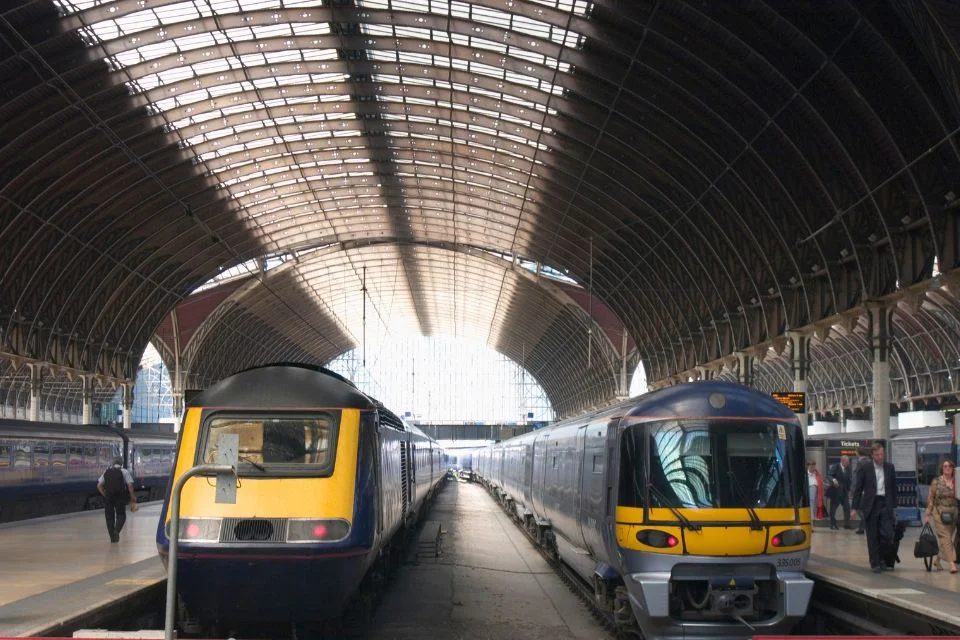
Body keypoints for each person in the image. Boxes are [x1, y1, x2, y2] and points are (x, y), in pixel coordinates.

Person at [851, 442, 897, 573]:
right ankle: (875, 562)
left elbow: (893, 487)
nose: (880, 457)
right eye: (877, 455)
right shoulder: (865, 467)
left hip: (885, 503)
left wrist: (894, 506)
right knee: (872, 536)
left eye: (882, 454)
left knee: (887, 535)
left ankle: (882, 558)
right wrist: (854, 508)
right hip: (871, 504)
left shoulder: (889, 467)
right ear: (872, 455)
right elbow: (858, 489)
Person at [923, 458, 958, 573]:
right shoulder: (936, 482)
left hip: (953, 514)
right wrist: (928, 514)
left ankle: (937, 560)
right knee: (946, 538)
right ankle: (952, 563)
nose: (947, 468)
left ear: (953, 469)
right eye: (945, 466)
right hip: (939, 513)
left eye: (949, 466)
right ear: (942, 469)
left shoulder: (956, 481)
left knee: (946, 540)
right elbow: (931, 498)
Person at [97, 457, 138, 543]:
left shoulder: (106, 471)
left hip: (108, 496)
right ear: (121, 463)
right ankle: (116, 531)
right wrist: (132, 496)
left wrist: (104, 494)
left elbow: (99, 485)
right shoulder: (124, 471)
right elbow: (130, 485)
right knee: (121, 515)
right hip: (120, 496)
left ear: (112, 463)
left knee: (109, 517)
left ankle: (112, 537)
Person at [826, 455, 853, 530]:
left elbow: (848, 480)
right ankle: (833, 524)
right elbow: (829, 475)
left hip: (844, 492)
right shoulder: (836, 466)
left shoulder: (848, 469)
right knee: (833, 509)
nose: (848, 463)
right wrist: (834, 480)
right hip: (836, 492)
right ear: (842, 461)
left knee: (847, 507)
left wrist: (849, 489)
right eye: (847, 462)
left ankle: (847, 524)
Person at [854, 447, 871, 535]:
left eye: (856, 452)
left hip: (863, 491)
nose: (855, 454)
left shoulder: (861, 462)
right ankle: (862, 528)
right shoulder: (869, 461)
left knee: (860, 510)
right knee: (862, 510)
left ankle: (866, 526)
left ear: (858, 453)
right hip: (867, 490)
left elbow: (859, 478)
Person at [807, 461, 824, 528]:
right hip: (808, 493)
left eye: (813, 465)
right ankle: (810, 524)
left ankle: (812, 524)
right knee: (811, 505)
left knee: (813, 506)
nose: (812, 467)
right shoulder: (805, 474)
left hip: (815, 494)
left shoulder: (817, 474)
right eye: (810, 465)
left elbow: (820, 483)